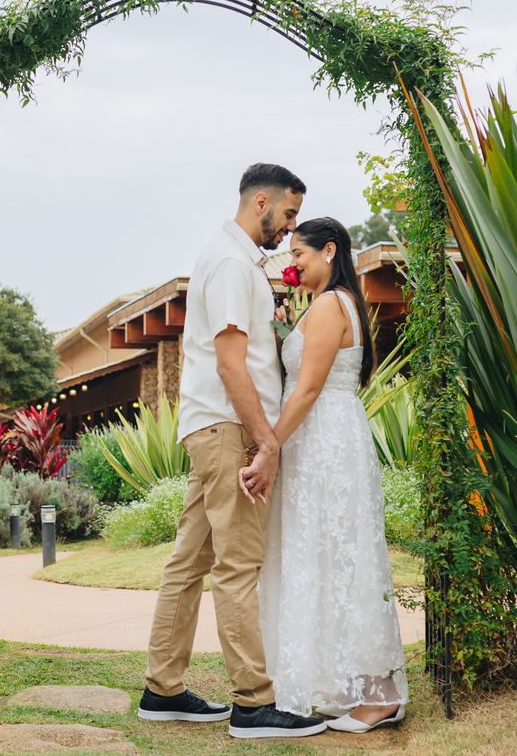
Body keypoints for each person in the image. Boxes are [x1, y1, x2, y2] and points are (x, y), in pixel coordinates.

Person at [137, 163, 327, 739]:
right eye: (288, 214)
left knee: (190, 562)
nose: (288, 228)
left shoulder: (237, 260)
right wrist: (265, 441)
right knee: (239, 566)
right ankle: (252, 702)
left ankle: (161, 690)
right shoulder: (226, 261)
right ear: (261, 202)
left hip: (213, 428)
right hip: (227, 431)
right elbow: (229, 363)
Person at [243, 217, 408, 734]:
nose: (292, 262)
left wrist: (269, 446)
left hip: (325, 438)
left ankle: (379, 695)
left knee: (342, 557)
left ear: (329, 250)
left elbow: (308, 389)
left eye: (299, 253)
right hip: (325, 437)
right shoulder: (333, 304)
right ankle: (351, 684)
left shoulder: (332, 305)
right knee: (333, 555)